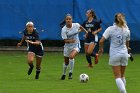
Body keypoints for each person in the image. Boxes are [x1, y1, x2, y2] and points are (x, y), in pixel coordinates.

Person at [98, 13, 130, 93]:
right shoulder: (127, 29)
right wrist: (127, 49)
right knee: (122, 76)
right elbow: (127, 44)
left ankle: (124, 92)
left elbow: (101, 41)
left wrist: (101, 49)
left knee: (117, 76)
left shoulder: (111, 29)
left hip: (115, 54)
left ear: (115, 20)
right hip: (124, 54)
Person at [61, 14, 88, 80]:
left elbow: (81, 27)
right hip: (67, 47)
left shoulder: (76, 25)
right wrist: (70, 41)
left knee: (71, 56)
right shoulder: (64, 29)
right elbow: (65, 40)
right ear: (65, 20)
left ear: (72, 20)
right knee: (66, 63)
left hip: (76, 45)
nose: (68, 20)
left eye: (70, 19)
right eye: (67, 19)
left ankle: (70, 73)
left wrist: (87, 33)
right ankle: (64, 74)